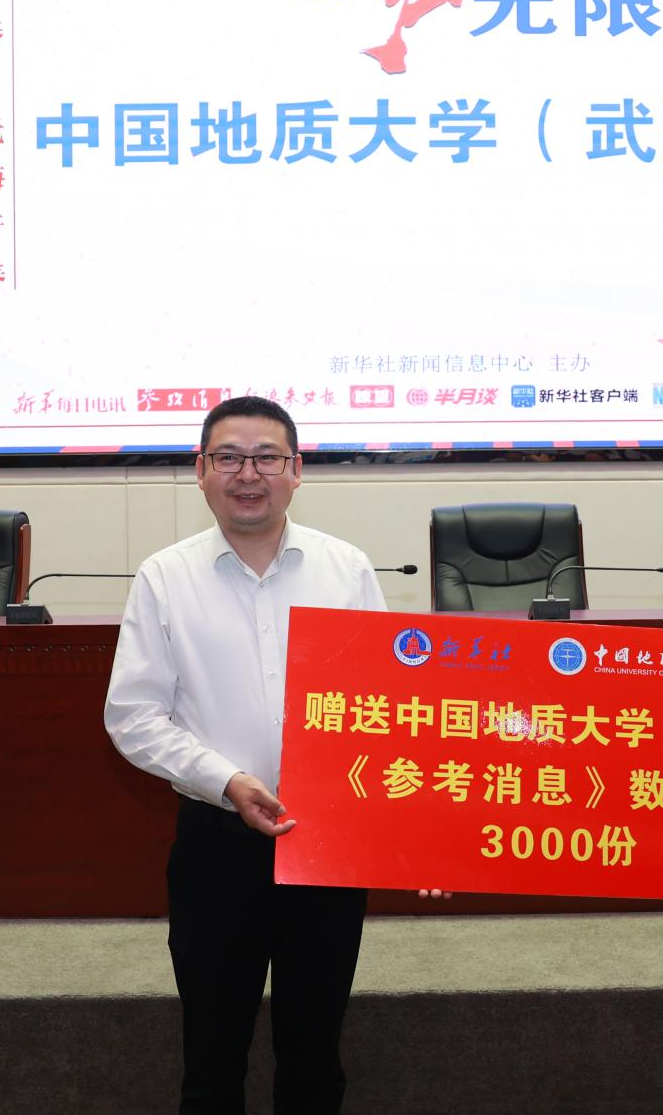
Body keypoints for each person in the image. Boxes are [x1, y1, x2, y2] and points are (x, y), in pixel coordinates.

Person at [105, 394, 384, 1113]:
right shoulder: (164, 577)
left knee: (315, 1053)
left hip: (325, 845)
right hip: (215, 844)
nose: (248, 474)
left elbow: (384, 710)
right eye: (228, 457)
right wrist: (225, 780)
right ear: (200, 471)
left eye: (267, 457)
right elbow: (133, 716)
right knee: (211, 1054)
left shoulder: (347, 570)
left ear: (297, 470)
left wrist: (420, 834)